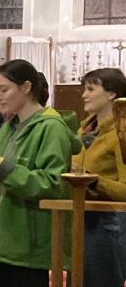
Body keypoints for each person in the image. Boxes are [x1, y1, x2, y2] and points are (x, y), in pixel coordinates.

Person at [0, 59, 81, 287]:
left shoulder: (51, 127)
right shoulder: (8, 128)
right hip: (0, 237)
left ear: (26, 87)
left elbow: (52, 184)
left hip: (27, 241)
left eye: (4, 89)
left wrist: (2, 167)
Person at [73, 68, 126, 286]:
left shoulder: (121, 132)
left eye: (91, 89)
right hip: (79, 217)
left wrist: (94, 181)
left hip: (108, 223)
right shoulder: (84, 130)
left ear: (112, 94)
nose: (84, 95)